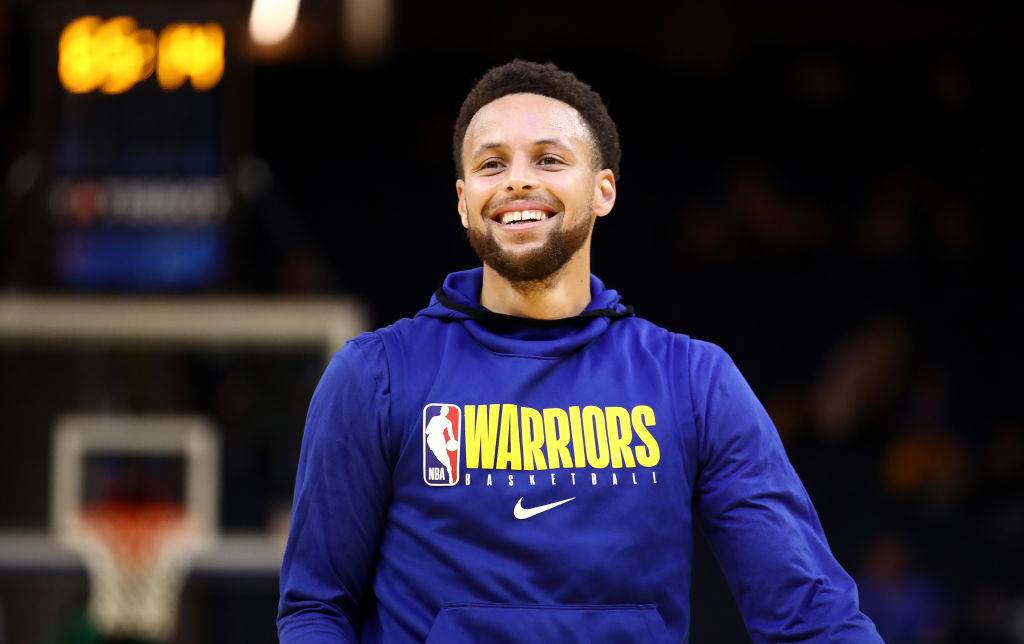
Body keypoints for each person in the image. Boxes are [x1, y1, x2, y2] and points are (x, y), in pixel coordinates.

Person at [277, 59, 882, 643]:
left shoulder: (691, 380)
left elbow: (808, 613)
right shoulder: (376, 374)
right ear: (463, 201)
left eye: (548, 159)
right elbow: (316, 607)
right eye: (491, 164)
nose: (518, 179)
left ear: (603, 191)